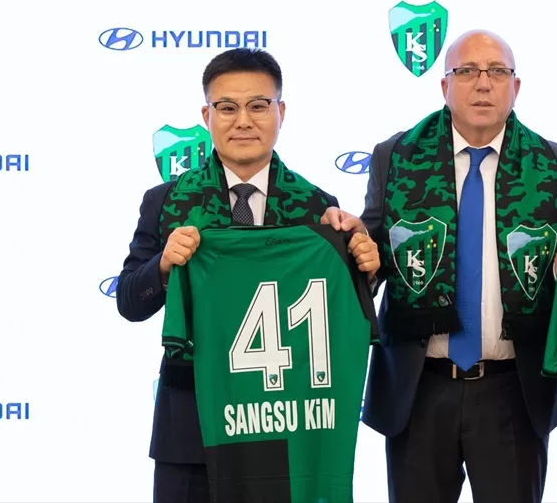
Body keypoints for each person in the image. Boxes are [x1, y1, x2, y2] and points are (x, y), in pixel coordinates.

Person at [116, 48, 380, 503]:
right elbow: (128, 301)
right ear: (207, 116)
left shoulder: (318, 207)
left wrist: (366, 270)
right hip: (191, 429)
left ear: (281, 112)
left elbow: (335, 312)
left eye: (258, 105)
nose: (243, 121)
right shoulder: (165, 201)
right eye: (227, 107)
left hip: (286, 425)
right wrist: (162, 265)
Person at [351, 29, 557, 503]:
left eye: (497, 72)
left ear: (515, 87)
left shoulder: (554, 164)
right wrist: (360, 254)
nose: (483, 83)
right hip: (420, 388)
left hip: (513, 391)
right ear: (444, 85)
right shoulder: (395, 157)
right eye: (467, 71)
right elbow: (372, 256)